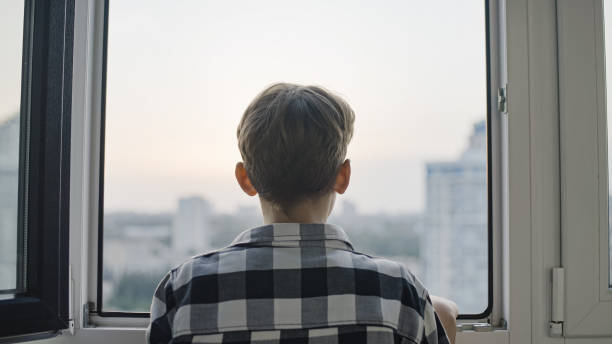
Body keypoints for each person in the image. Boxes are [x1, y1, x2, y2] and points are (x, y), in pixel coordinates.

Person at [147, 83, 458, 344]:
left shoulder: (185, 289)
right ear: (343, 176)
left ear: (245, 179)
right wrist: (436, 313)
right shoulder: (398, 292)